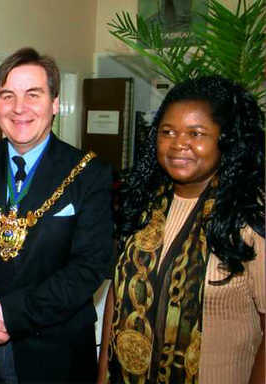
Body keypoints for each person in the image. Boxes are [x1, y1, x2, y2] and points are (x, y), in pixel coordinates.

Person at [0, 47, 113, 383]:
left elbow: (91, 265)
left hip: (49, 352)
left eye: (33, 95)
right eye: (7, 96)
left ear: (55, 103)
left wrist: (11, 313)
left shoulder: (90, 173)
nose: (19, 108)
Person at [98, 75, 265, 384]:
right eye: (168, 132)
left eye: (196, 133)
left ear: (225, 139)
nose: (179, 144)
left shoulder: (250, 218)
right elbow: (117, 296)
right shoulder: (145, 205)